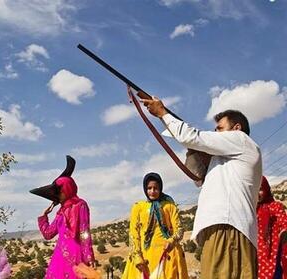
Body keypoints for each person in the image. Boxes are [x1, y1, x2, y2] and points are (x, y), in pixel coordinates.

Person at [142, 97, 262, 278]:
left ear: (237, 128)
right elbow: (198, 175)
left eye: (220, 129)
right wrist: (195, 149)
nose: (216, 134)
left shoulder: (241, 140)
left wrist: (162, 114)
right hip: (223, 229)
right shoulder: (226, 159)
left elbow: (193, 137)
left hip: (227, 228)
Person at [122, 172, 188, 279]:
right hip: (144, 257)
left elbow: (179, 229)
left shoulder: (169, 206)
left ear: (160, 188)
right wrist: (137, 256)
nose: (152, 191)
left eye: (156, 188)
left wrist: (171, 241)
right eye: (149, 188)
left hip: (167, 255)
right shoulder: (138, 208)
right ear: (145, 189)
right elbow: (134, 234)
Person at [38, 176, 95, 278]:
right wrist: (44, 217)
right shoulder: (61, 211)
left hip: (76, 255)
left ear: (67, 189)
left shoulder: (80, 205)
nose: (58, 195)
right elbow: (48, 234)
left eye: (60, 192)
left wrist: (89, 256)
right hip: (59, 257)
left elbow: (84, 232)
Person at [257, 176, 287, 278]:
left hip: (272, 252)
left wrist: (284, 232)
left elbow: (284, 222)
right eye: (254, 188)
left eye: (260, 189)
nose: (257, 193)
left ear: (266, 189)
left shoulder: (275, 206)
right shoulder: (250, 209)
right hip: (255, 252)